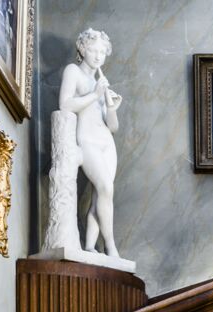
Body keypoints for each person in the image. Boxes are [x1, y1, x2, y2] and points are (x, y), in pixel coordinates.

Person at [58, 28, 123, 258]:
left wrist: (112, 108)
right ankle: (111, 246)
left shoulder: (100, 81)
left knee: (101, 195)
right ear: (82, 49)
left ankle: (89, 247)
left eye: (103, 52)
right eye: (94, 50)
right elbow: (65, 104)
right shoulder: (73, 72)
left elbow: (112, 126)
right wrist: (95, 95)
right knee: (106, 187)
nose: (98, 56)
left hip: (106, 143)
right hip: (87, 142)